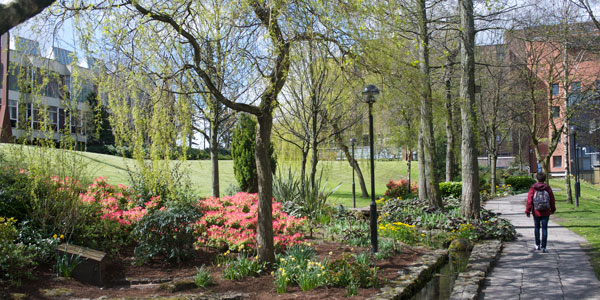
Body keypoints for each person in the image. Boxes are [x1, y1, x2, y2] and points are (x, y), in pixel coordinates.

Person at [525, 172, 556, 253]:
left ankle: (537, 244)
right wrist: (552, 209)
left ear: (537, 178)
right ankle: (544, 247)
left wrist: (528, 210)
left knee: (537, 227)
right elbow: (552, 199)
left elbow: (530, 200)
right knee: (544, 228)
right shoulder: (547, 187)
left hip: (536, 211)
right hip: (546, 211)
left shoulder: (533, 187)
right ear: (545, 179)